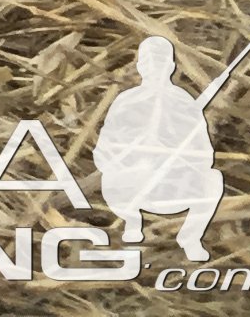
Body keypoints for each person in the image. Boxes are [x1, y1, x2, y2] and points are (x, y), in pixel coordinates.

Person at [94, 36, 227, 261]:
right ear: (140, 67)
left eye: (160, 63)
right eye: (148, 63)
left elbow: (205, 152)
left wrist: (181, 158)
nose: (154, 69)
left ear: (171, 67)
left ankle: (191, 237)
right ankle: (132, 224)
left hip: (174, 184)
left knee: (213, 180)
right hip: (131, 183)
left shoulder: (184, 103)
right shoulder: (127, 100)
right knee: (113, 179)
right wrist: (130, 160)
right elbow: (104, 148)